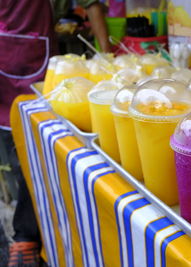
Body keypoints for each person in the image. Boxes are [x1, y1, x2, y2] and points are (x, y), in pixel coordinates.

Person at [0, 0, 112, 266]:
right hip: (6, 58)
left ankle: (32, 232)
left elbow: (91, 5)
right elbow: (93, 5)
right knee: (18, 147)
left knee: (35, 144)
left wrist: (106, 57)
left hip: (35, 58)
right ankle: (27, 234)